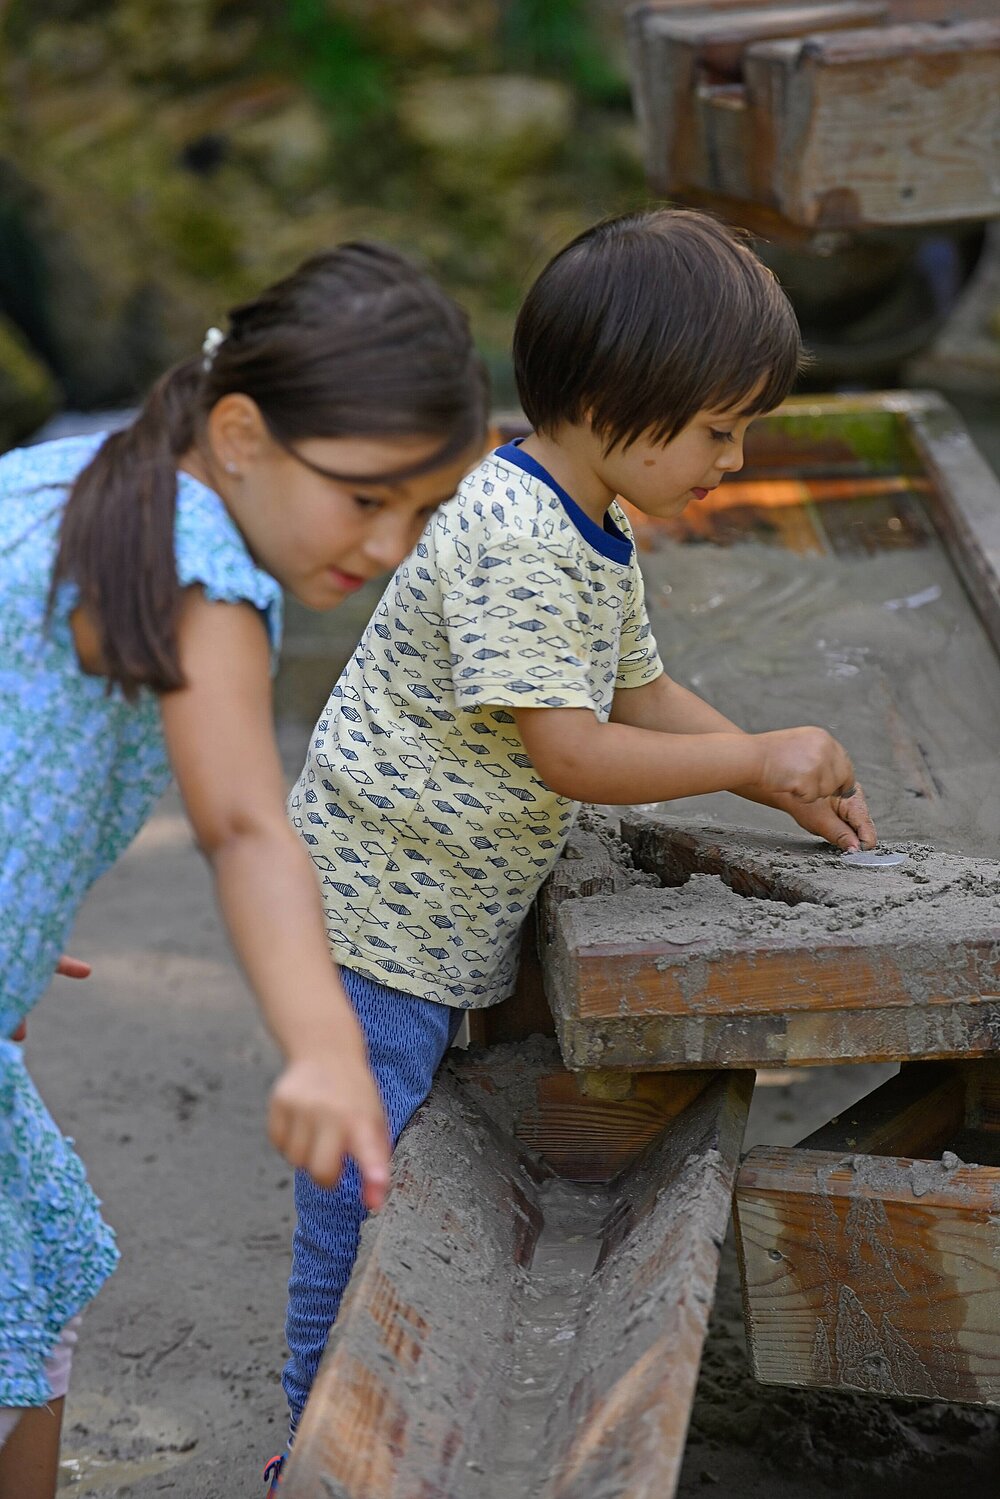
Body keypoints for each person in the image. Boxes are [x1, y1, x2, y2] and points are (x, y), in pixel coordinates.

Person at [276, 206, 877, 1489]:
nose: (733, 453)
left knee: (392, 1129)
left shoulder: (585, 515)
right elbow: (574, 749)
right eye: (719, 426)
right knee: (358, 1174)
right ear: (615, 404)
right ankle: (309, 1441)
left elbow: (641, 689)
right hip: (378, 906)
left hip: (435, 892)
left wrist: (775, 771)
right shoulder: (517, 534)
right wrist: (746, 758)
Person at [0, 241, 488, 1499]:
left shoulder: (73, 477)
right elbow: (245, 829)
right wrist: (325, 1041)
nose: (389, 545)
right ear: (240, 431)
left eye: (424, 511)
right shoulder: (203, 570)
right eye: (366, 496)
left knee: (31, 1302)